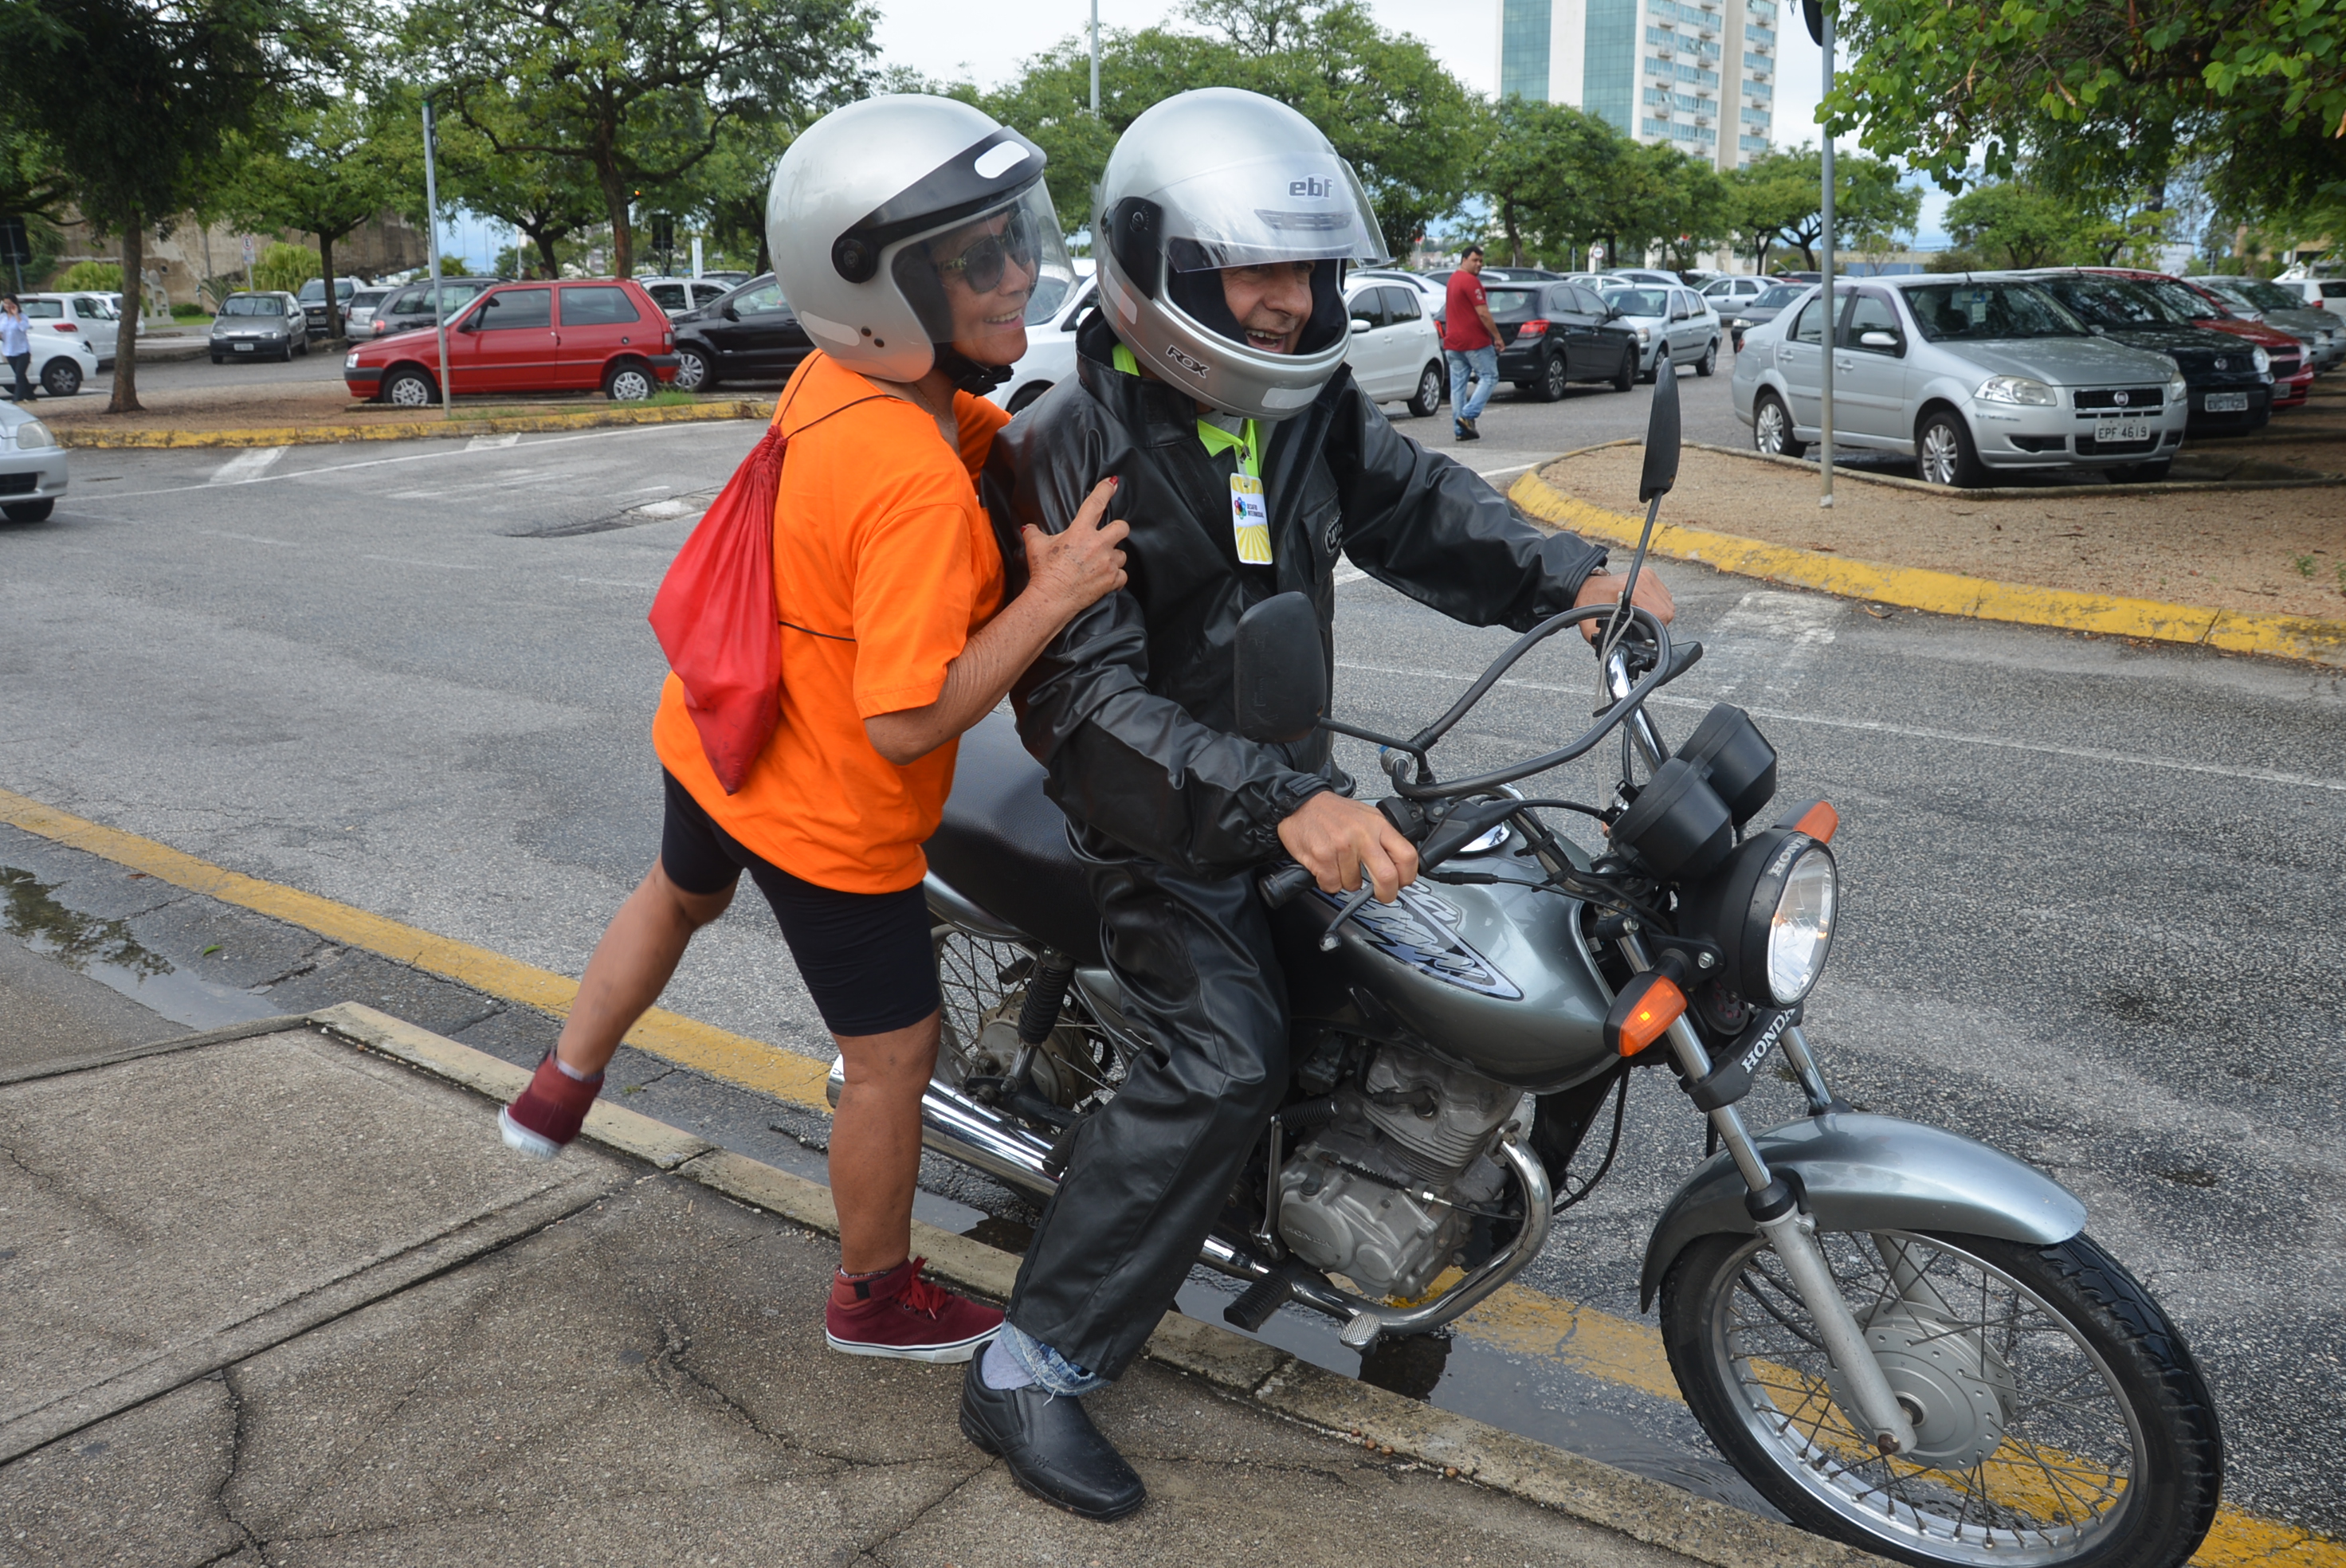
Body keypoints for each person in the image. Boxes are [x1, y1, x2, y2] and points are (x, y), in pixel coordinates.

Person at [968, 88, 1673, 1521]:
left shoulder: (1300, 405)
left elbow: (1420, 505)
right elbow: (1087, 705)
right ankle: (1029, 1364)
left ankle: (1403, 1213)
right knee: (1225, 1058)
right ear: (1162, 268)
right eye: (1256, 273)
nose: (1291, 302)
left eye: (1308, 270)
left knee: (1528, 942)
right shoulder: (1065, 442)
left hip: (1286, 790)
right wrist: (1278, 801)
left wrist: (1576, 578)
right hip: (1152, 828)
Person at [496, 95, 1129, 1365]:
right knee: (892, 1060)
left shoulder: (835, 375)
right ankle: (874, 1299)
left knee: (679, 894)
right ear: (884, 294)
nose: (1020, 274)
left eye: (1017, 238)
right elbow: (906, 719)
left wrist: (1013, 438)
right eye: (980, 259)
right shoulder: (915, 490)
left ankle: (559, 1086)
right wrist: (1054, 594)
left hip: (719, 736)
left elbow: (938, 434)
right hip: (827, 815)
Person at [1441, 246, 1500, 441]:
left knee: (1458, 387)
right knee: (1490, 376)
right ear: (1464, 260)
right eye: (1475, 260)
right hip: (1474, 341)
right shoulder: (1470, 281)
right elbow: (1483, 313)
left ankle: (1460, 430)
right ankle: (1467, 416)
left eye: (1481, 261)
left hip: (1453, 342)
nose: (1479, 264)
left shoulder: (1453, 280)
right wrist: (1497, 337)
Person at [1, 296, 32, 402]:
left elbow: (23, 328)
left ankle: (17, 399)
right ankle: (31, 396)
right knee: (21, 376)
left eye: (9, 303)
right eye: (5, 303)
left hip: (22, 351)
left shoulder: (22, 316)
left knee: (19, 376)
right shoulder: (2, 317)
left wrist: (16, 314)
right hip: (9, 351)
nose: (7, 306)